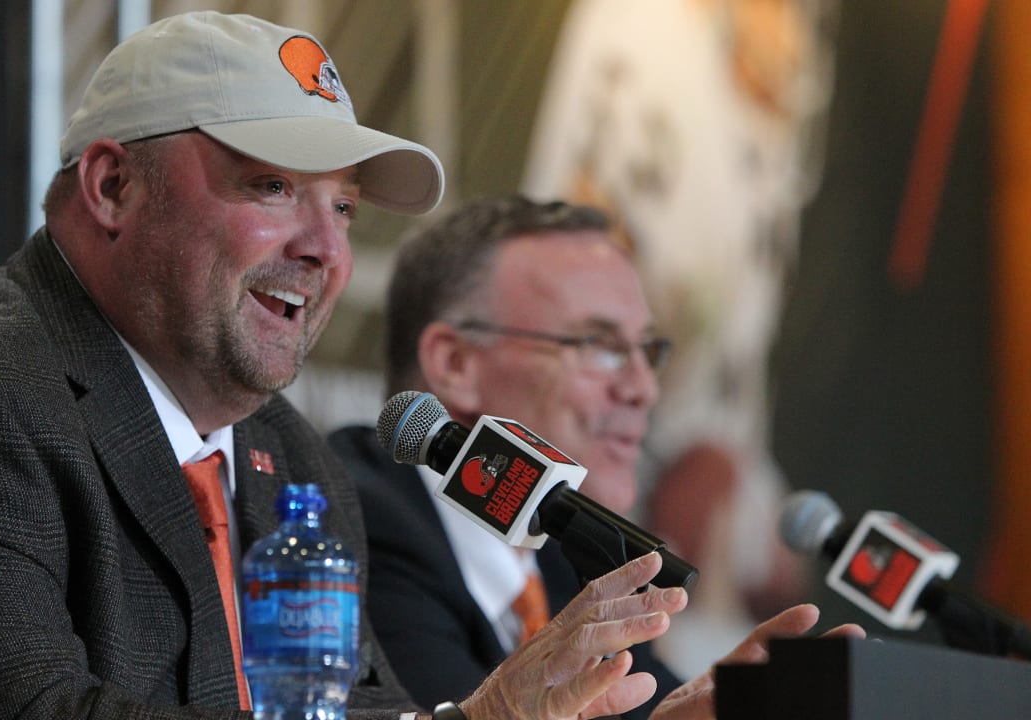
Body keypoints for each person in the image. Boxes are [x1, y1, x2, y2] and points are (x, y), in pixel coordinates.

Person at [0, 12, 700, 720]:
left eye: (344, 210)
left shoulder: (289, 456)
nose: (325, 250)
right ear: (114, 185)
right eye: (274, 186)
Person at [329, 196, 862, 718]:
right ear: (456, 363)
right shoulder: (355, 522)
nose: (642, 389)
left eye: (647, 351)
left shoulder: (564, 554)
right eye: (599, 346)